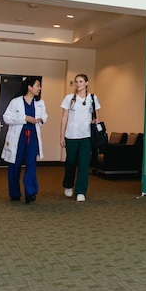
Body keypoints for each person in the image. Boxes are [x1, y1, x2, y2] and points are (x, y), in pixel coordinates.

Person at [1, 77, 47, 204]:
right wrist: (24, 118)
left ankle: (30, 192)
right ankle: (14, 193)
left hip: (32, 136)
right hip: (18, 136)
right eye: (37, 85)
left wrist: (41, 119)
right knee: (15, 164)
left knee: (31, 163)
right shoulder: (15, 102)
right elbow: (6, 117)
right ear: (30, 87)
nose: (39, 88)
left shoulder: (40, 103)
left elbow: (44, 116)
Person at [60, 74, 100, 202]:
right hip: (71, 135)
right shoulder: (69, 98)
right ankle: (68, 185)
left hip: (86, 136)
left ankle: (81, 191)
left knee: (84, 163)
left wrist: (95, 121)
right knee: (71, 162)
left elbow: (97, 116)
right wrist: (62, 136)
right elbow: (64, 118)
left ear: (87, 83)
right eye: (76, 82)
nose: (78, 84)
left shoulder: (93, 98)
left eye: (81, 81)